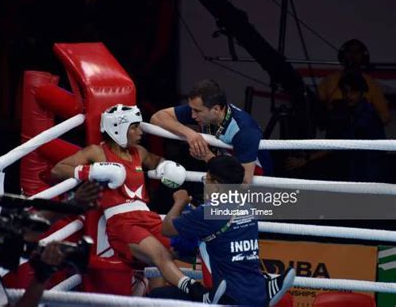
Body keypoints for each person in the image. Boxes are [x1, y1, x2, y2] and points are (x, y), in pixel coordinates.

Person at [51, 104, 220, 302]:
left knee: (184, 246)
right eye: (134, 127)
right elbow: (58, 169)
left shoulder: (139, 152)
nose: (140, 132)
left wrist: (166, 166)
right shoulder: (97, 153)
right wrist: (92, 171)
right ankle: (196, 291)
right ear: (118, 128)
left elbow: (158, 161)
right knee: (159, 254)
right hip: (122, 223)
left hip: (147, 217)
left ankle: (215, 286)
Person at [155, 155, 295, 306]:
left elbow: (167, 229)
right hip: (257, 294)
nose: (205, 184)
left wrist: (180, 202)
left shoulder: (206, 213)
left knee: (156, 295)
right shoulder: (248, 207)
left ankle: (199, 293)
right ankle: (267, 286)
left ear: (215, 185)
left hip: (229, 297)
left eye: (206, 179)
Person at [151, 79, 272, 184]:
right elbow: (157, 117)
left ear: (216, 109)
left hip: (257, 191)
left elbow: (243, 182)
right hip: (221, 182)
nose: (192, 115)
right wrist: (190, 134)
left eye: (197, 111)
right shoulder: (202, 110)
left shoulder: (244, 131)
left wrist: (207, 156)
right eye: (192, 110)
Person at [287, 69, 386, 182]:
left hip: (367, 173)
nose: (348, 95)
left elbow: (340, 144)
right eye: (345, 92)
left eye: (353, 91)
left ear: (361, 92)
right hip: (355, 170)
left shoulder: (367, 116)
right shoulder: (349, 111)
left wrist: (306, 159)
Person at [317, 39, 390, 125]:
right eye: (349, 51)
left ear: (363, 56)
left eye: (357, 52)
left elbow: (385, 116)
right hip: (336, 131)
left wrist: (367, 123)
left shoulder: (371, 83)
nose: (353, 55)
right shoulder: (330, 79)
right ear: (343, 54)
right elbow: (316, 105)